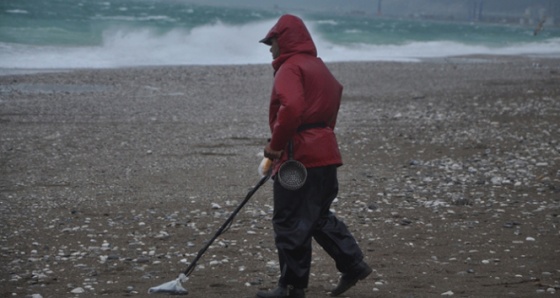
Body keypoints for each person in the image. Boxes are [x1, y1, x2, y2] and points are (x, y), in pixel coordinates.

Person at [257, 14, 372, 298]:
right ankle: (353, 263)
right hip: (327, 153)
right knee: (317, 215)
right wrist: (321, 136)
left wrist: (276, 144)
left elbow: (292, 108)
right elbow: (334, 100)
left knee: (288, 219)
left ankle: (292, 288)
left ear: (284, 41)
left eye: (272, 42)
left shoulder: (290, 67)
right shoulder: (319, 68)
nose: (271, 49)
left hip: (299, 160)